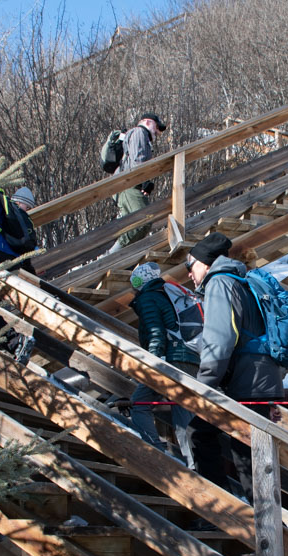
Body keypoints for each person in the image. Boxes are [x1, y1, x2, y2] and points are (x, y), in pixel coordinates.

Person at [185, 232, 283, 500]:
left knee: (201, 432)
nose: (189, 275)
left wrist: (202, 387)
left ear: (205, 263)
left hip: (246, 383)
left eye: (190, 266)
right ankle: (263, 520)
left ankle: (223, 510)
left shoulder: (220, 283)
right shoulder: (245, 281)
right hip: (263, 380)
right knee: (249, 454)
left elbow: (220, 340)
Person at [126, 262, 199, 468]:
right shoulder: (167, 294)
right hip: (190, 358)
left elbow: (156, 332)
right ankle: (194, 466)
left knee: (140, 404)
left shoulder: (148, 298)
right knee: (183, 412)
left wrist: (154, 362)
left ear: (139, 282)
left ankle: (157, 455)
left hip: (170, 359)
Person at [109, 113, 167, 252]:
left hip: (128, 184)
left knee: (139, 224)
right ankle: (110, 256)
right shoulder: (139, 132)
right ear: (147, 122)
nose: (158, 132)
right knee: (143, 220)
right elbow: (138, 158)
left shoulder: (138, 135)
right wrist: (144, 181)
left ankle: (122, 258)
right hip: (128, 184)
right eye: (157, 126)